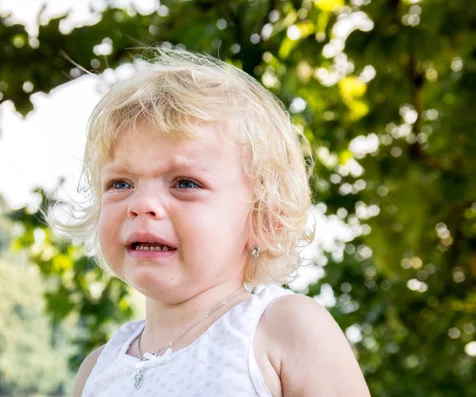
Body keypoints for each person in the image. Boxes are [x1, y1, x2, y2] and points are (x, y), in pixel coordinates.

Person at [48, 48, 371, 396]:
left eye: (185, 183)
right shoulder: (99, 369)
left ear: (263, 217)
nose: (141, 204)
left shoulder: (280, 329)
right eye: (120, 184)